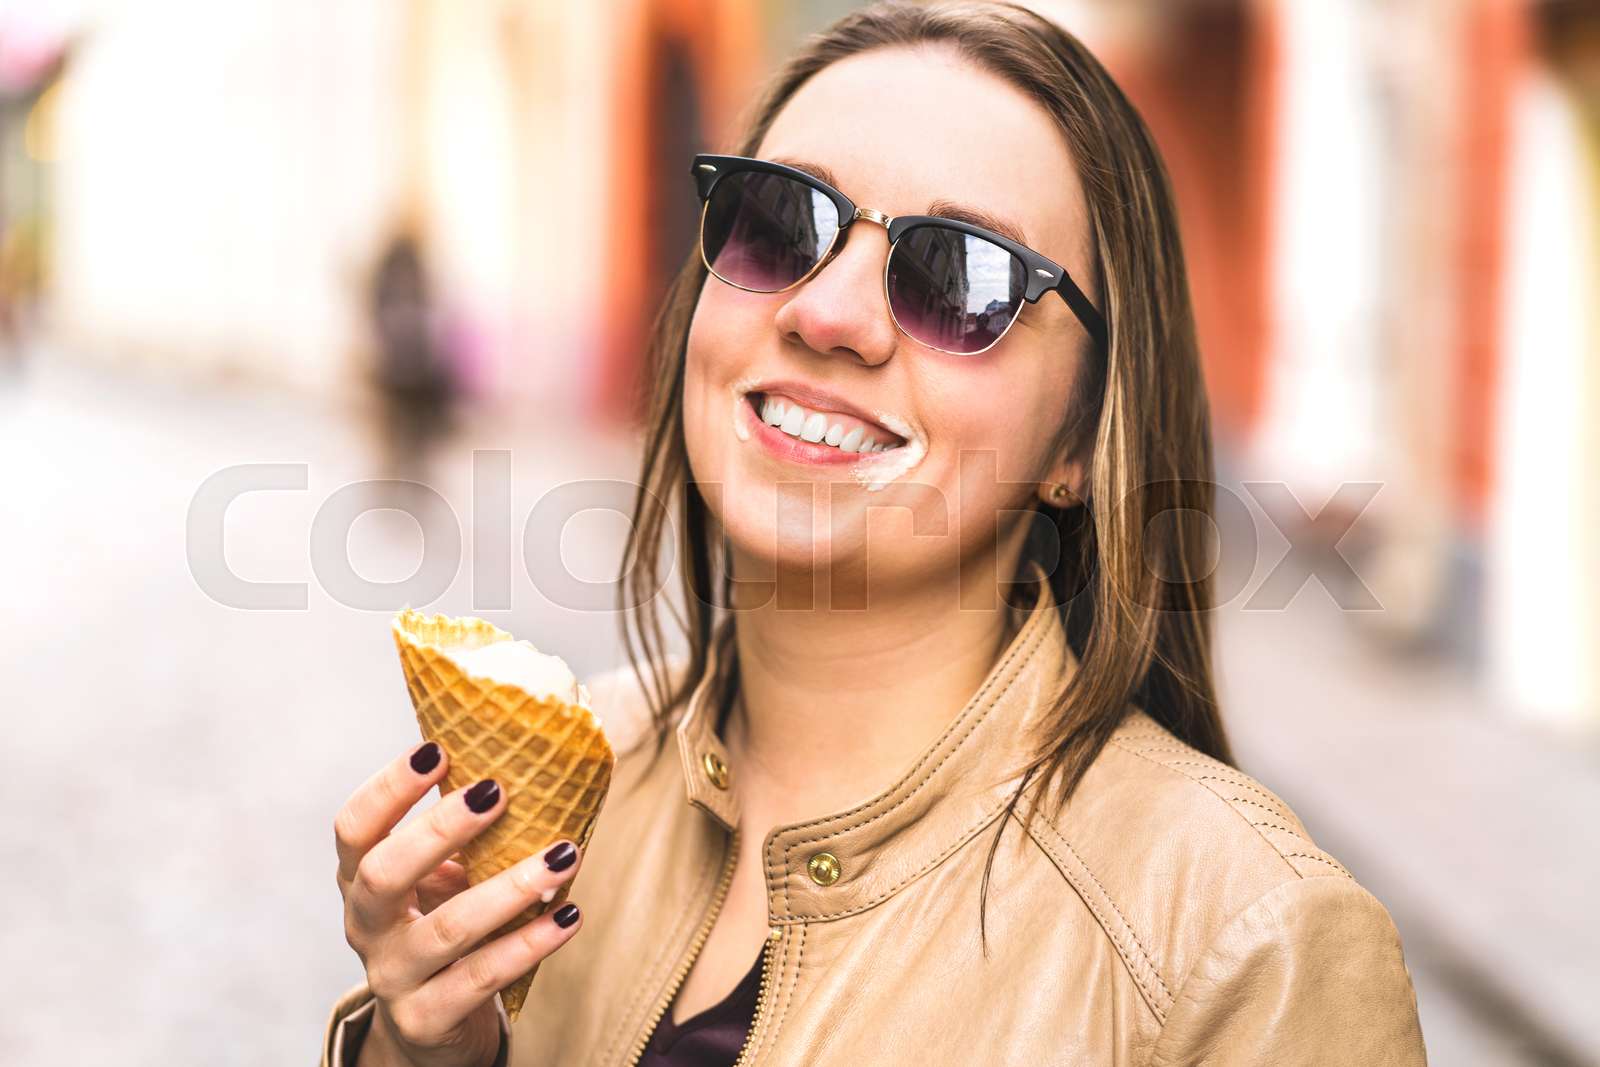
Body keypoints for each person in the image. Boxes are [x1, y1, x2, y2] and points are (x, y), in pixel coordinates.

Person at [322, 3, 1428, 1065]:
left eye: (957, 278)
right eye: (778, 220)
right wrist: (423, 1052)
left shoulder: (1249, 946)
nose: (827, 313)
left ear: (1082, 442)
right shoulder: (572, 782)